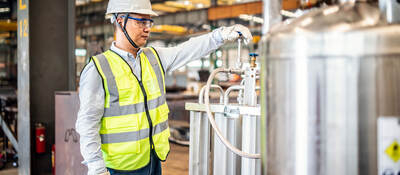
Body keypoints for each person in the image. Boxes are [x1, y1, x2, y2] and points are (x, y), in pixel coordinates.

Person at [75, 0, 253, 174]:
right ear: (120, 20)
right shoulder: (98, 69)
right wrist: (97, 169)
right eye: (141, 21)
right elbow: (87, 125)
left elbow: (188, 49)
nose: (148, 28)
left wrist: (220, 35)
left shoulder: (154, 58)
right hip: (120, 168)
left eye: (149, 21)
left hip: (153, 160)